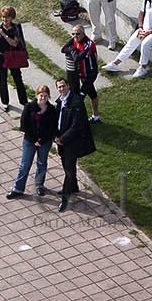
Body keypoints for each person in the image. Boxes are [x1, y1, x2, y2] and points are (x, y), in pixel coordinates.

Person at [5, 85, 58, 198]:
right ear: (37, 95)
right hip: (30, 141)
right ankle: (18, 188)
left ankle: (39, 185)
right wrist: (34, 140)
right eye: (41, 95)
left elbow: (52, 127)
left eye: (46, 96)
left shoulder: (51, 109)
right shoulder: (29, 107)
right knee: (25, 165)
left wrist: (42, 140)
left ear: (49, 97)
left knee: (42, 163)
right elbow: (24, 125)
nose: (43, 98)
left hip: (45, 141)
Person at [52, 76, 95, 211]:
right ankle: (74, 187)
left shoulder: (76, 102)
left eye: (63, 86)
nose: (61, 89)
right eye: (59, 87)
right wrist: (56, 136)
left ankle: (65, 197)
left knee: (69, 169)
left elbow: (77, 125)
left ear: (68, 86)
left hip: (72, 142)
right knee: (66, 165)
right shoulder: (60, 101)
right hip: (62, 141)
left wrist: (62, 139)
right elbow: (57, 120)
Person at [0, 5, 29, 109]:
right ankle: (5, 102)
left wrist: (4, 35)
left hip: (12, 57)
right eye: (3, 17)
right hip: (0, 57)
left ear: (11, 18)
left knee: (18, 79)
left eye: (7, 17)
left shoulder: (15, 28)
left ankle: (24, 101)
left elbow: (14, 43)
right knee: (2, 79)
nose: (5, 19)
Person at [60, 23, 101, 123]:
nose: (75, 36)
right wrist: (73, 49)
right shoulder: (74, 40)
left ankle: (78, 120)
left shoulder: (89, 44)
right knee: (92, 94)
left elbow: (78, 58)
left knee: (79, 98)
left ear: (83, 34)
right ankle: (96, 116)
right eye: (73, 34)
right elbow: (63, 49)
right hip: (81, 74)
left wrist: (72, 49)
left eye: (77, 34)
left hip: (90, 75)